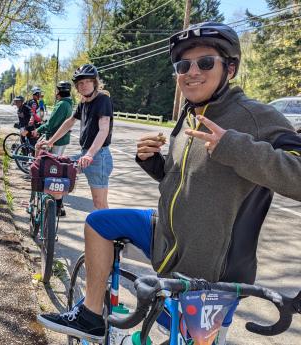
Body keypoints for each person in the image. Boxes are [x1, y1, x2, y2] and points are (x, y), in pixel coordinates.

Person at [37, 22, 301, 343]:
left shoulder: (255, 116)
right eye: (183, 65)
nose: (192, 72)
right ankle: (92, 315)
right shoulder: (189, 114)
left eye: (205, 63)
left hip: (213, 272)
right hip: (167, 242)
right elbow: (181, 182)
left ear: (229, 68)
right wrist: (152, 162)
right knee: (98, 222)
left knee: (183, 338)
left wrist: (235, 147)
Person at [38, 64, 114, 210]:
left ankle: (109, 232)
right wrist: (50, 141)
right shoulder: (84, 103)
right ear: (77, 87)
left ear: (95, 83)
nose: (84, 85)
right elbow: (69, 122)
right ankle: (58, 208)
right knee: (58, 171)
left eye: (87, 81)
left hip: (98, 156)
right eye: (80, 83)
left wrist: (90, 154)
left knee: (100, 203)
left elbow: (103, 129)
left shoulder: (103, 100)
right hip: (84, 154)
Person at [36, 81, 74, 216]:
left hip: (56, 139)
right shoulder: (69, 103)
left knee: (51, 168)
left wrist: (39, 129)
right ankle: (56, 202)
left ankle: (57, 204)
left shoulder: (62, 104)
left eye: (57, 90)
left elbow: (52, 123)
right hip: (61, 139)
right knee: (54, 167)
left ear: (59, 91)